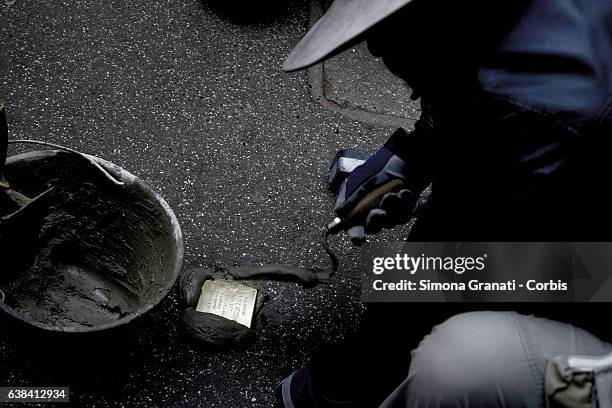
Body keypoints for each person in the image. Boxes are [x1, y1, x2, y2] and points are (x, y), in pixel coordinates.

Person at [276, 0, 612, 407]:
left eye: (383, 37)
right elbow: (463, 95)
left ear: (431, 23)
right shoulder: (490, 29)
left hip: (602, 276)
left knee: (457, 352)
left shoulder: (540, 112)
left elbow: (453, 260)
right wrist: (415, 156)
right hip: (572, 194)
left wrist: (345, 380)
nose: (376, 53)